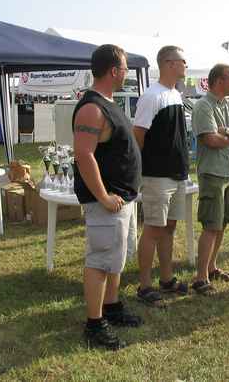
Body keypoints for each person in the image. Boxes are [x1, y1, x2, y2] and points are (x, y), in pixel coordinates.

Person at [73, 44, 142, 350]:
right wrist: (102, 196)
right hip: (108, 201)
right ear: (114, 71)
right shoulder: (92, 108)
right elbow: (83, 155)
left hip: (123, 198)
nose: (126, 73)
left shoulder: (108, 103)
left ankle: (111, 306)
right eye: (125, 68)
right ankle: (94, 323)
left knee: (116, 258)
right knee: (100, 260)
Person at [133, 45, 190, 305]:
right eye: (183, 61)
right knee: (153, 229)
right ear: (169, 63)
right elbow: (138, 134)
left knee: (169, 228)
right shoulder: (151, 96)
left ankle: (166, 279)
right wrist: (149, 165)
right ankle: (144, 285)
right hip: (158, 175)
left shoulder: (175, 94)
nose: (186, 65)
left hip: (177, 174)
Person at [191, 64, 229, 294]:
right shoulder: (203, 106)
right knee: (211, 225)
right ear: (218, 81)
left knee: (222, 223)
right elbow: (210, 140)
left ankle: (212, 267)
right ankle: (200, 278)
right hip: (213, 174)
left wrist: (226, 131)